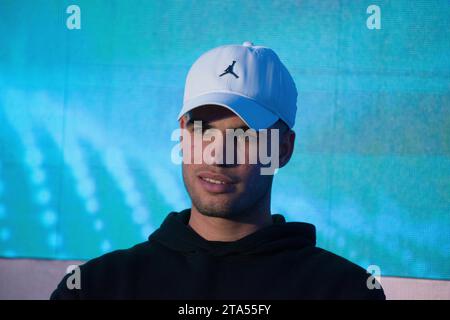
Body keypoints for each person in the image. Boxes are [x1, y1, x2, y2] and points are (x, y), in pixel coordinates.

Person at [50, 41, 385, 300]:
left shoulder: (345, 291)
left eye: (245, 134)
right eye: (203, 129)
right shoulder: (94, 288)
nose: (217, 154)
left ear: (283, 149)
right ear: (182, 132)